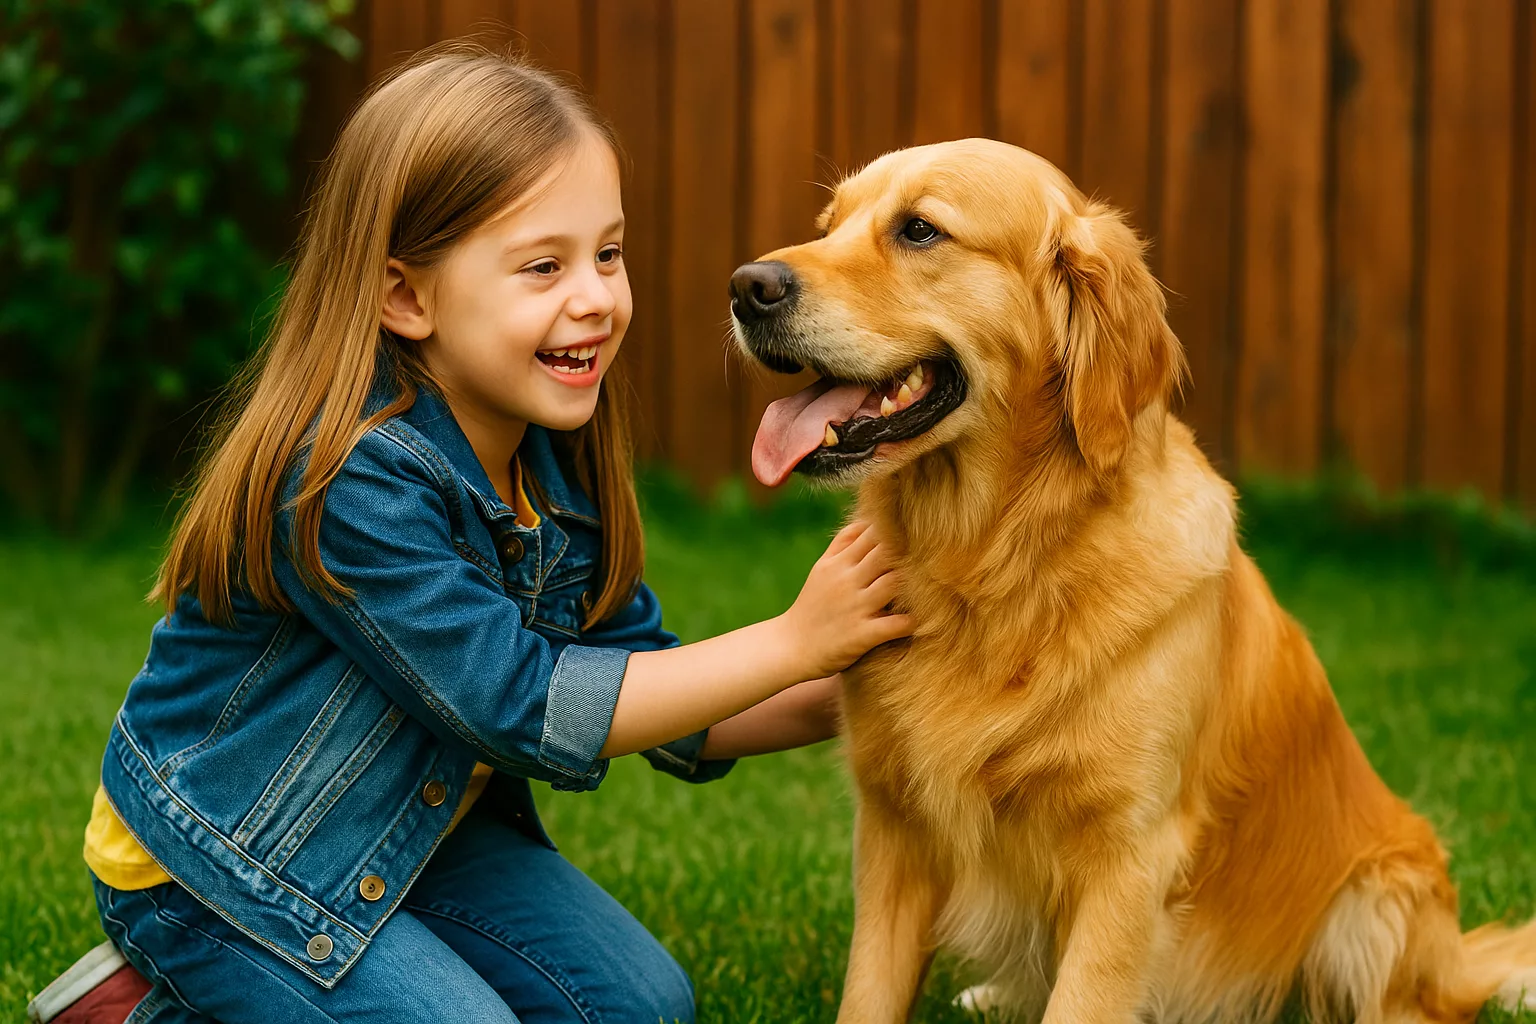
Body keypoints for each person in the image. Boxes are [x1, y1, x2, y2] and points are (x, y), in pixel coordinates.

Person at [60, 44, 910, 1024]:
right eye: (543, 266)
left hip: (416, 832)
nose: (593, 294)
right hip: (227, 857)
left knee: (639, 1007)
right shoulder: (350, 480)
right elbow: (526, 704)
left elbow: (657, 690)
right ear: (406, 297)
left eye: (609, 253)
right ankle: (146, 1006)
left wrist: (865, 675)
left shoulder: (553, 464)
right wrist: (791, 638)